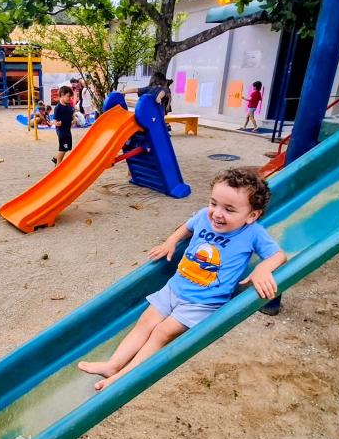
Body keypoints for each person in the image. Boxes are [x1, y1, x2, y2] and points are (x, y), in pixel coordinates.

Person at [79, 167, 286, 390]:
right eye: (213, 203)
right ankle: (113, 365)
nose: (217, 213)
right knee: (145, 322)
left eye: (228, 209)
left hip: (202, 303)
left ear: (251, 215)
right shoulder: (203, 217)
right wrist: (170, 241)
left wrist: (264, 269)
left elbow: (278, 255)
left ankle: (125, 376)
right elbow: (186, 228)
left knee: (161, 332)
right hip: (174, 289)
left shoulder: (252, 233)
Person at [51, 86, 75, 165]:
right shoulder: (58, 108)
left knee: (67, 147)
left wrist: (73, 120)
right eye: (68, 96)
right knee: (63, 148)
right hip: (61, 131)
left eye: (70, 97)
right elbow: (54, 120)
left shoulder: (69, 105)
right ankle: (58, 165)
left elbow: (72, 114)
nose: (69, 98)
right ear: (62, 95)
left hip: (67, 130)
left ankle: (55, 158)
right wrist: (57, 123)